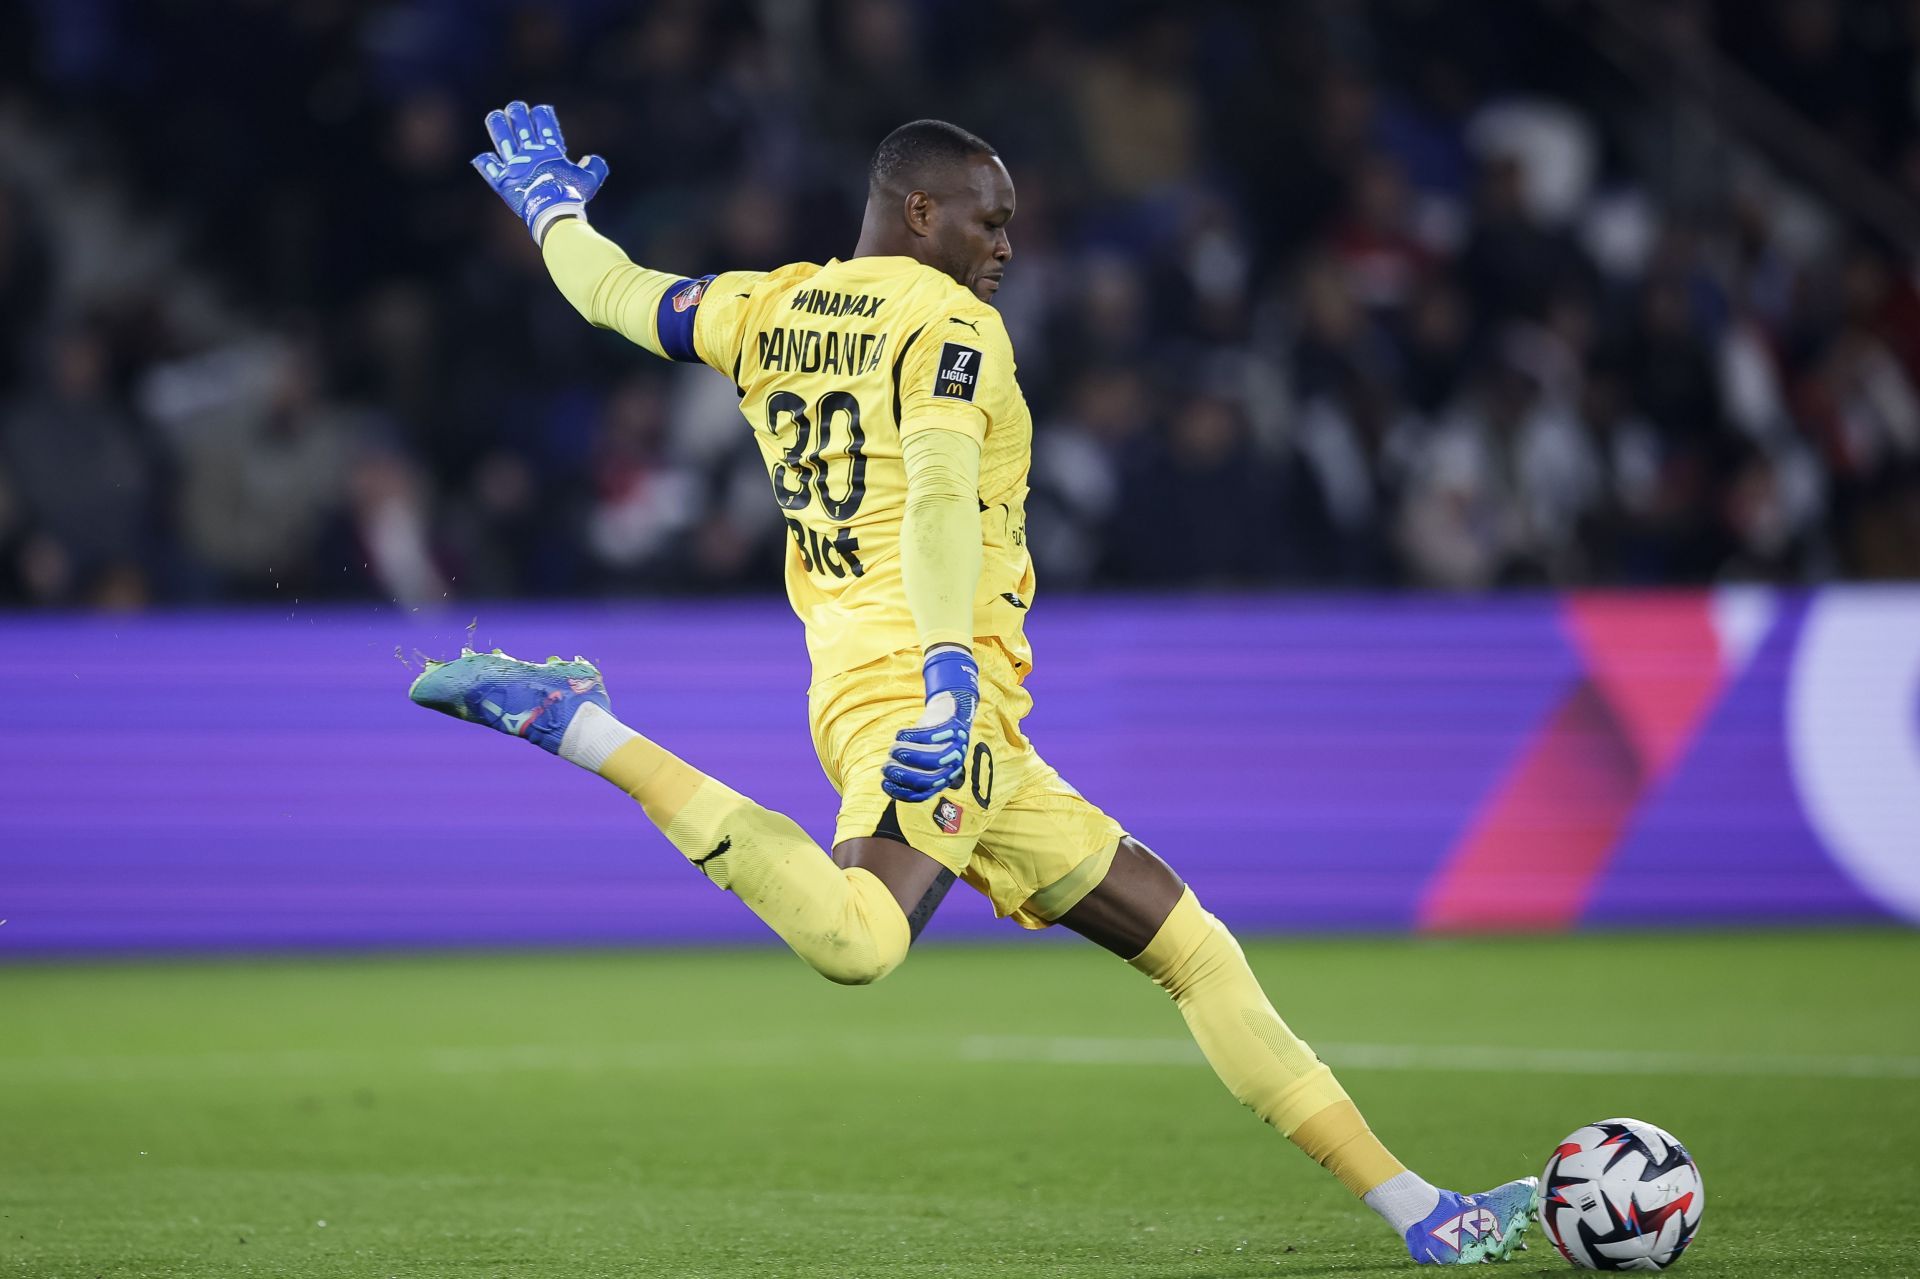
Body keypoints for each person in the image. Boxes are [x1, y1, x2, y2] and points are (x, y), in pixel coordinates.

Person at [411, 102, 1538, 1266]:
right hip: (928, 691)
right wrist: (950, 678)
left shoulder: (766, 304)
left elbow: (617, 292)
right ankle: (583, 727)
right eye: (990, 221)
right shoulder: (952, 328)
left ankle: (1422, 1213)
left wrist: (551, 211)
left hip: (905, 693)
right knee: (859, 943)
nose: (1006, 246)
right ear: (921, 210)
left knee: (1192, 947)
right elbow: (941, 492)